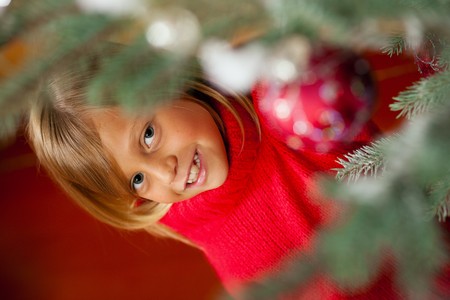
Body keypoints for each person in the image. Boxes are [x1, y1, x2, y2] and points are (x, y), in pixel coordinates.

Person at [26, 44, 438, 299]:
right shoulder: (194, 222)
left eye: (148, 135)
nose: (165, 173)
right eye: (137, 180)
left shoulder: (280, 108)